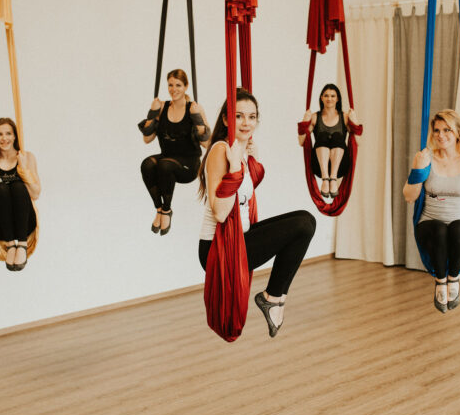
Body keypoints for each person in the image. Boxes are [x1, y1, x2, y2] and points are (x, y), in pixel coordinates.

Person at [198, 88, 316, 337]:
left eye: (252, 117)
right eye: (239, 116)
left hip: (241, 237)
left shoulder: (240, 150)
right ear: (226, 119)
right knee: (303, 225)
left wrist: (249, 162)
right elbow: (220, 212)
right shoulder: (222, 150)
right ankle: (273, 298)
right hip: (218, 250)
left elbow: (244, 195)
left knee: (306, 220)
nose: (246, 122)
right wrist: (235, 168)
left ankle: (272, 297)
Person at [402, 109, 460, 312]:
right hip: (429, 225)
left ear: (458, 132)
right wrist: (417, 169)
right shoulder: (425, 158)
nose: (440, 135)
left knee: (458, 227)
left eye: (447, 130)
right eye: (437, 130)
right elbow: (409, 196)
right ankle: (440, 281)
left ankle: (453, 278)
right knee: (440, 228)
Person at [139, 69, 210, 235]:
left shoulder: (194, 107)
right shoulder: (162, 107)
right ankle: (159, 208)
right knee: (147, 164)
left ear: (186, 86)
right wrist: (152, 113)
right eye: (170, 85)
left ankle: (166, 209)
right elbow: (147, 139)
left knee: (164, 165)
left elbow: (207, 143)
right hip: (167, 159)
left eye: (178, 85)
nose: (174, 89)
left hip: (188, 165)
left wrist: (197, 119)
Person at [0, 118, 41, 271]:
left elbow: (35, 194)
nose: (4, 138)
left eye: (8, 133)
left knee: (18, 187)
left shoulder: (27, 157)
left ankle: (22, 245)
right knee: (1, 189)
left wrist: (24, 170)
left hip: (24, 223)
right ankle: (11, 244)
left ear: (15, 136)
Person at [298, 84, 360, 198]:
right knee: (322, 136)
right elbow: (301, 141)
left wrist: (354, 121)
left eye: (332, 96)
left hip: (340, 165)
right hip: (320, 167)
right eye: (326, 96)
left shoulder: (345, 117)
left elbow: (358, 142)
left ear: (337, 99)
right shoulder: (315, 117)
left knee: (337, 136)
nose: (329, 99)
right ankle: (326, 179)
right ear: (321, 98)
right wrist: (305, 121)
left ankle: (333, 178)